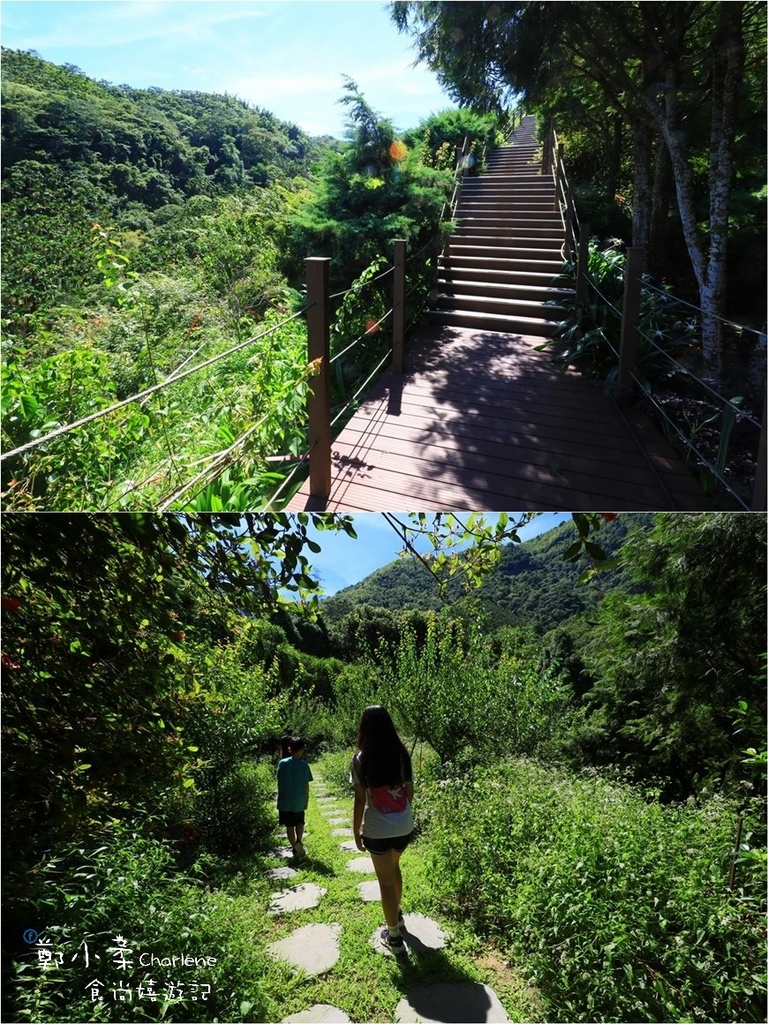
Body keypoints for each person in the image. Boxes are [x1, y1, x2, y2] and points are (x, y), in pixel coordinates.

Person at [351, 705, 414, 955]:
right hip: (403, 826)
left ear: (364, 728)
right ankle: (397, 914)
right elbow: (409, 791)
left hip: (377, 830)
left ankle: (395, 937)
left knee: (385, 882)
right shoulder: (401, 753)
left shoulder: (360, 758)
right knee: (394, 867)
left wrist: (356, 831)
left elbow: (359, 799)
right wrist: (401, 813)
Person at [276, 736, 312, 859]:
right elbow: (306, 785)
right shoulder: (304, 765)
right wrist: (306, 800)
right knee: (300, 822)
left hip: (285, 802)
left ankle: (294, 847)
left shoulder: (282, 763)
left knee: (289, 826)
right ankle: (299, 841)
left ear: (289, 749)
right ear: (303, 750)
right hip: (299, 801)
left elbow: (279, 781)